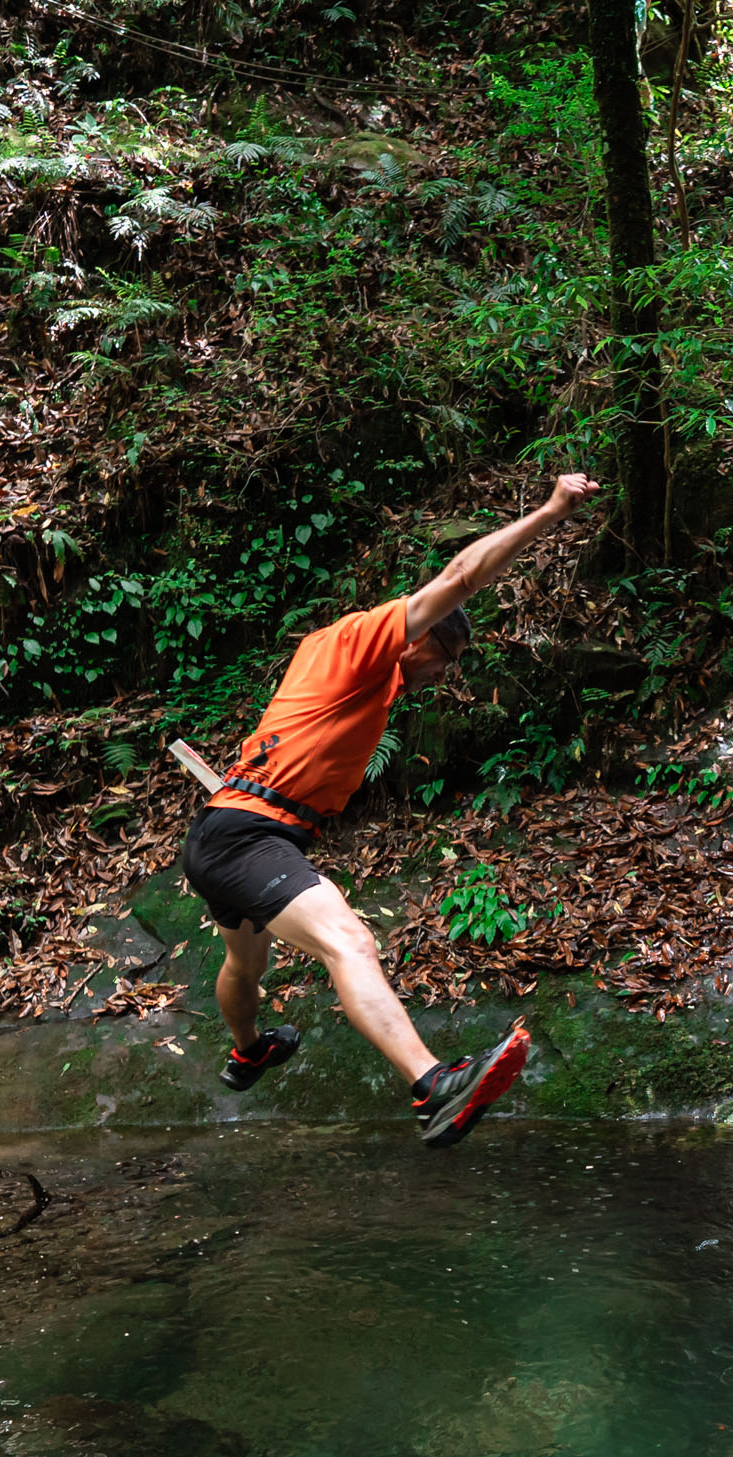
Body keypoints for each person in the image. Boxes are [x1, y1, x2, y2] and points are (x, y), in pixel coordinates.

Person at [178, 472, 600, 1146]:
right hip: (247, 836)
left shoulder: (358, 674)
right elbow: (462, 576)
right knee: (349, 942)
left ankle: (249, 1050)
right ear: (417, 635)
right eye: (445, 657)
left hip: (226, 832)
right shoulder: (363, 642)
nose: (444, 675)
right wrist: (550, 511)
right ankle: (433, 1086)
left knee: (245, 965)